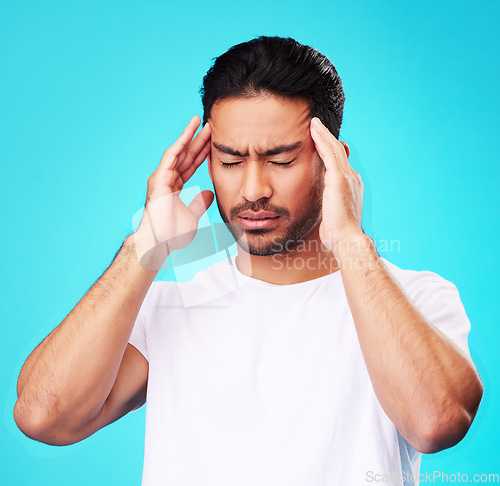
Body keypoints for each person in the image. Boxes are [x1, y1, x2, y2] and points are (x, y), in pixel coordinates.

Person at [14, 36, 483, 486]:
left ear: (332, 161)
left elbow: (436, 422)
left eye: (280, 159)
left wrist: (349, 241)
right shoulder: (166, 308)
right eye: (231, 160)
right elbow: (43, 416)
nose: (253, 189)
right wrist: (146, 244)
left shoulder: (418, 299)